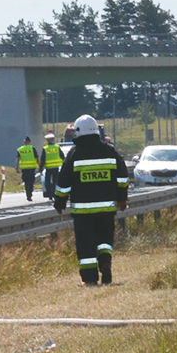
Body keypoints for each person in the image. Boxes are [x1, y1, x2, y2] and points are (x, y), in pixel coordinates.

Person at [52, 115, 128, 286]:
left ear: (78, 132)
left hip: (83, 212)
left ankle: (90, 278)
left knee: (86, 243)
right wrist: (122, 198)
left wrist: (59, 203)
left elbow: (63, 182)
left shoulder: (74, 154)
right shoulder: (110, 151)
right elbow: (123, 177)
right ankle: (106, 263)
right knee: (105, 238)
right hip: (106, 209)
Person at [40, 131, 63, 202]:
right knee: (56, 182)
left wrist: (40, 168)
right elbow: (62, 156)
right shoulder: (57, 147)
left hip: (48, 168)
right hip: (55, 167)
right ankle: (56, 194)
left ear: (47, 140)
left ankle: (50, 195)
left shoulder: (45, 148)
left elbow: (43, 159)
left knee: (48, 182)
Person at [16, 136, 39, 201]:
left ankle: (28, 194)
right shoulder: (32, 148)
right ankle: (30, 193)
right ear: (29, 142)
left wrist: (16, 167)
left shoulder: (20, 149)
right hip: (32, 168)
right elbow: (37, 158)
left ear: (24, 142)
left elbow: (17, 159)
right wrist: (39, 166)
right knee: (31, 181)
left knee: (26, 182)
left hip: (24, 168)